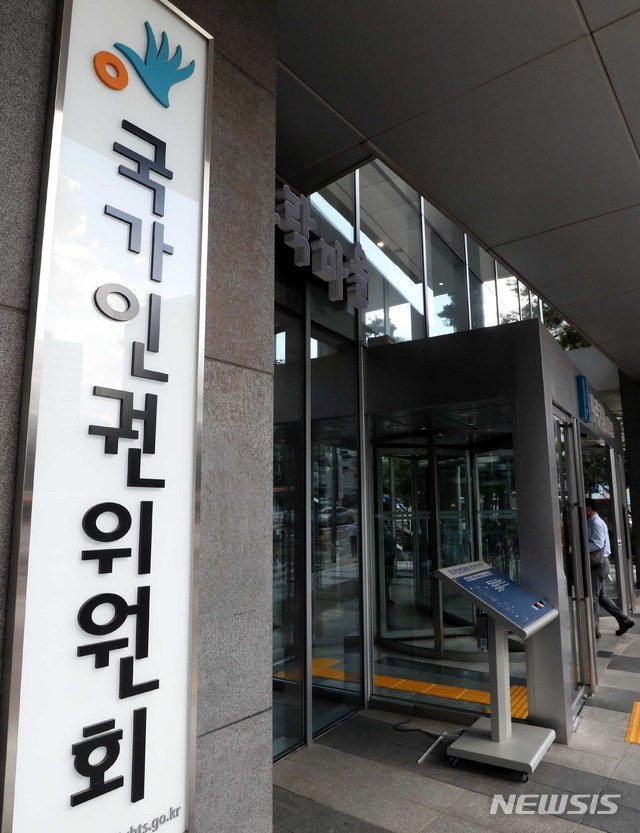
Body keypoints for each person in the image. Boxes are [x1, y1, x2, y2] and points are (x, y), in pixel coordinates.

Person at [586, 499, 634, 638]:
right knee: (602, 597)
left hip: (598, 565)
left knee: (593, 598)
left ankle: (593, 630)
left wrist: (579, 547)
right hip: (602, 563)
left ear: (588, 509)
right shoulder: (596, 521)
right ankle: (624, 620)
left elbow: (597, 544)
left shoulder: (595, 523)